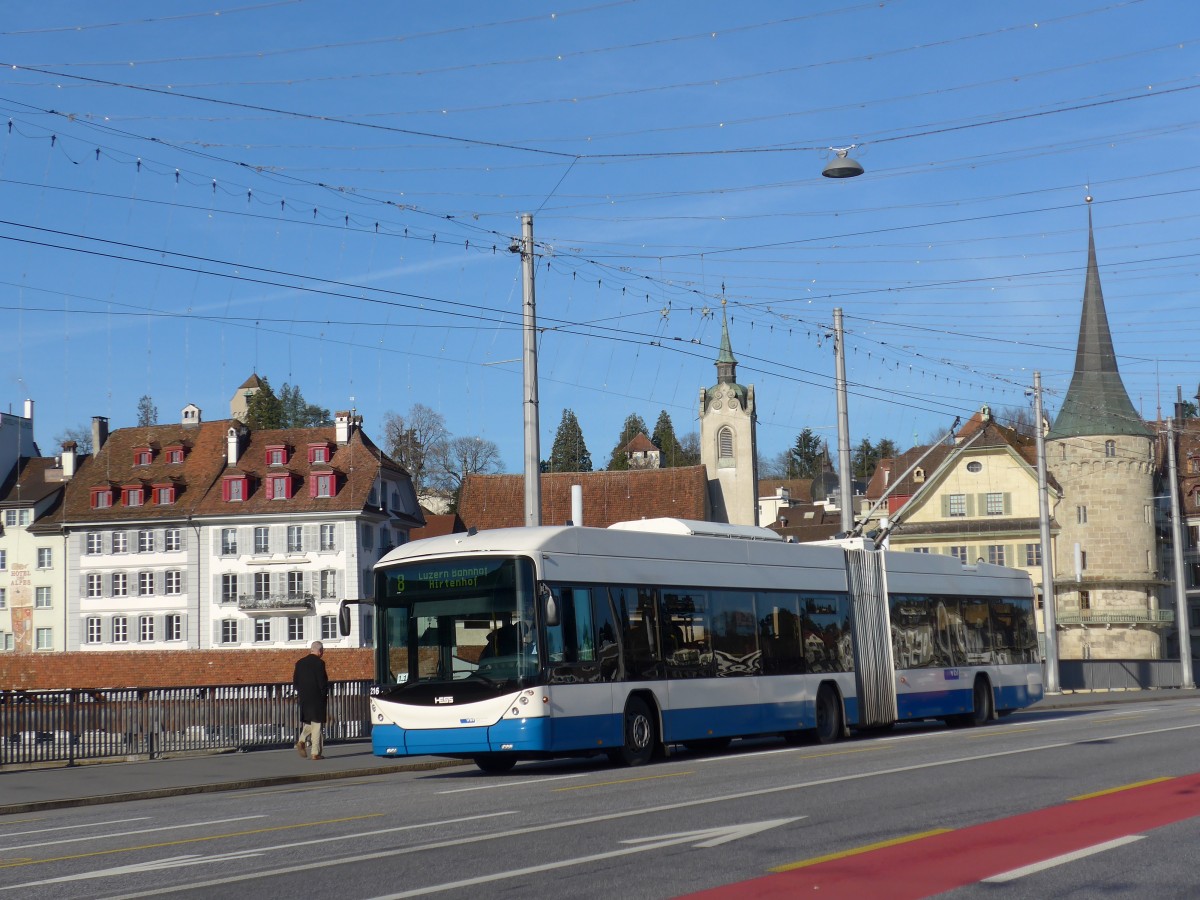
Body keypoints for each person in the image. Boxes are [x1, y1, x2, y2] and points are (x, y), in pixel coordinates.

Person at [293, 640, 329, 760]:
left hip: (304, 698)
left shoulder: (299, 663)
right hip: (317, 697)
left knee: (310, 722)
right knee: (317, 724)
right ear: (320, 651)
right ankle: (315, 752)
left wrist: (302, 693)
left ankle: (302, 740)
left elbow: (295, 682)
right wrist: (324, 695)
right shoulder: (320, 663)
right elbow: (322, 683)